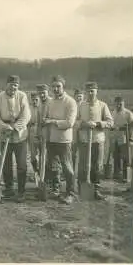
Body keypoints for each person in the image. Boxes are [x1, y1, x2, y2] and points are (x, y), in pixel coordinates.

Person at [0, 75, 31, 203]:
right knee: (6, 164)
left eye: (16, 85)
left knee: (22, 164)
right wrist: (4, 126)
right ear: (6, 85)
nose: (13, 88)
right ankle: (9, 188)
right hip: (5, 134)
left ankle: (21, 191)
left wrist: (16, 128)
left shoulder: (22, 96)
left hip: (20, 135)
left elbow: (26, 115)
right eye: (11, 85)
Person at [42, 75, 78, 204]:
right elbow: (45, 118)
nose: (56, 89)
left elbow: (69, 123)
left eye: (58, 86)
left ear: (63, 87)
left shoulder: (70, 102)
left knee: (67, 167)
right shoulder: (50, 102)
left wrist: (52, 121)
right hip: (51, 139)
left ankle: (71, 193)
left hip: (64, 140)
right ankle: (55, 189)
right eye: (54, 87)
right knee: (53, 167)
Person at [75, 81, 114, 200]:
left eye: (92, 91)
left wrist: (98, 124)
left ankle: (96, 189)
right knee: (82, 165)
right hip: (84, 140)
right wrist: (84, 124)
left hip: (98, 140)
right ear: (85, 92)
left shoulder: (103, 105)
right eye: (88, 91)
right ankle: (82, 188)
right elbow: (74, 122)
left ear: (97, 91)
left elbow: (110, 122)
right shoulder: (80, 106)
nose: (90, 93)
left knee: (97, 165)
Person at [110, 96, 133, 183]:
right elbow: (111, 124)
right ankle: (117, 174)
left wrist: (131, 138)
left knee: (125, 157)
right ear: (115, 104)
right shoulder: (113, 113)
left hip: (125, 138)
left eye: (121, 104)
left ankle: (125, 176)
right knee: (116, 156)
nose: (119, 106)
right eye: (117, 104)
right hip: (115, 138)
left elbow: (132, 126)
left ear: (123, 104)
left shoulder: (128, 113)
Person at [28, 92, 41, 182]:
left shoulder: (43, 107)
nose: (35, 101)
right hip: (31, 130)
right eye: (33, 100)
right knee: (33, 154)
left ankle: (42, 173)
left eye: (36, 100)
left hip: (42, 130)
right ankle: (35, 172)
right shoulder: (28, 108)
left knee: (43, 153)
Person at [72, 89, 84, 178]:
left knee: (83, 153)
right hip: (73, 131)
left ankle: (81, 172)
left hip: (84, 132)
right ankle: (71, 171)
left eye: (81, 96)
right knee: (73, 153)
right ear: (74, 96)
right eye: (77, 96)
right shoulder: (72, 105)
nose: (79, 97)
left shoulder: (85, 105)